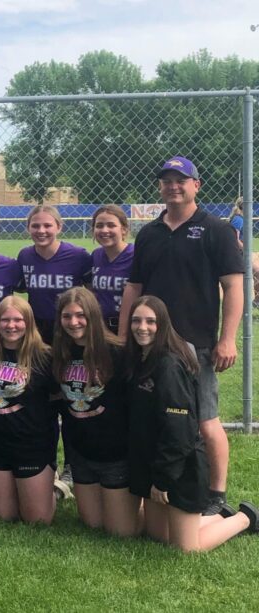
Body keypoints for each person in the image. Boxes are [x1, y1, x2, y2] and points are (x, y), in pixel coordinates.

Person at [119, 156, 244, 516]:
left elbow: (233, 286)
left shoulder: (215, 229)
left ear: (196, 186)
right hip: (150, 342)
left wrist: (227, 338)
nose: (173, 186)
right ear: (160, 186)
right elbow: (135, 286)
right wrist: (126, 331)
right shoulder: (150, 233)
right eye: (167, 181)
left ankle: (216, 495)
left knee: (205, 419)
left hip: (196, 342)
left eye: (181, 180)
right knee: (154, 417)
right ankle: (157, 483)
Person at [125, 296, 257, 551]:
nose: (142, 327)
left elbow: (179, 432)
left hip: (181, 468)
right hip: (155, 464)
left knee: (187, 548)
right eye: (136, 320)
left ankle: (245, 517)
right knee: (158, 536)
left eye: (151, 321)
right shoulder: (140, 359)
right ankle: (216, 516)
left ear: (163, 324)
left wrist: (163, 479)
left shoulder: (169, 365)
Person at [52, 288, 138, 535]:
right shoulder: (60, 354)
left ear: (93, 316)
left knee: (121, 531)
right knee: (92, 524)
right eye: (67, 316)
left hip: (116, 456)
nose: (73, 322)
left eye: (80, 315)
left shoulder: (118, 352)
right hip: (82, 455)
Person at [0, 295, 55, 524]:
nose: (11, 326)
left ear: (29, 322)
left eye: (18, 320)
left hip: (31, 445)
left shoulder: (44, 356)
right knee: (3, 517)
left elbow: (58, 398)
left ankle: (54, 486)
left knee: (36, 521)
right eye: (5, 320)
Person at [17, 205, 91, 344]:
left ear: (59, 227)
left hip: (70, 324)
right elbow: (22, 287)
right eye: (35, 226)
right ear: (28, 228)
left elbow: (92, 292)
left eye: (47, 225)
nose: (41, 230)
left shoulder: (78, 256)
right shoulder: (25, 256)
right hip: (37, 326)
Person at [89, 205, 133, 334]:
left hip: (131, 326)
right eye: (99, 226)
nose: (104, 230)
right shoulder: (96, 255)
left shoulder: (136, 255)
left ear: (123, 229)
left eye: (111, 225)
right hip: (101, 326)